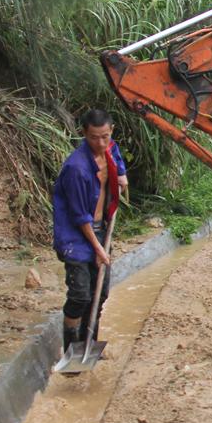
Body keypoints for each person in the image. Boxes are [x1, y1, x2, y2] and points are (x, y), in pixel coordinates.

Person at [52, 109, 128, 353]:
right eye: (95, 137)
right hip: (76, 235)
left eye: (105, 136)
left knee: (100, 293)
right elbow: (79, 215)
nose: (101, 143)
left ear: (111, 131)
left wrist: (122, 175)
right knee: (80, 296)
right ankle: (71, 349)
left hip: (101, 228)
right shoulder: (76, 168)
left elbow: (115, 153)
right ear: (84, 134)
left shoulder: (109, 149)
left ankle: (89, 346)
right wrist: (98, 248)